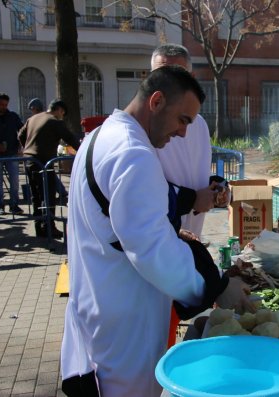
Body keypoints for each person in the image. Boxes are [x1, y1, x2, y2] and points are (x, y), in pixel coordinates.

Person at [60, 66, 254, 397]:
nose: (182, 134)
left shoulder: (99, 137)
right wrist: (214, 288)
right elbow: (153, 252)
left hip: (98, 303)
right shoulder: (134, 154)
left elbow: (122, 226)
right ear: (157, 100)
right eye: (183, 120)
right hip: (125, 321)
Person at [152, 43, 214, 238]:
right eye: (162, 75)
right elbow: (144, 191)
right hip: (163, 236)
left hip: (193, 234)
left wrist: (217, 188)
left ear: (192, 79)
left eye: (177, 76)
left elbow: (193, 174)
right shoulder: (145, 127)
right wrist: (192, 200)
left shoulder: (200, 124)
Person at [18, 99, 80, 239]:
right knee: (48, 195)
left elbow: (20, 135)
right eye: (63, 114)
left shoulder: (33, 118)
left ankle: (39, 227)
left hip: (29, 160)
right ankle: (49, 228)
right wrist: (84, 152)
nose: (62, 117)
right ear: (60, 110)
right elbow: (71, 139)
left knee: (36, 196)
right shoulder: (54, 121)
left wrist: (28, 149)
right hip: (43, 162)